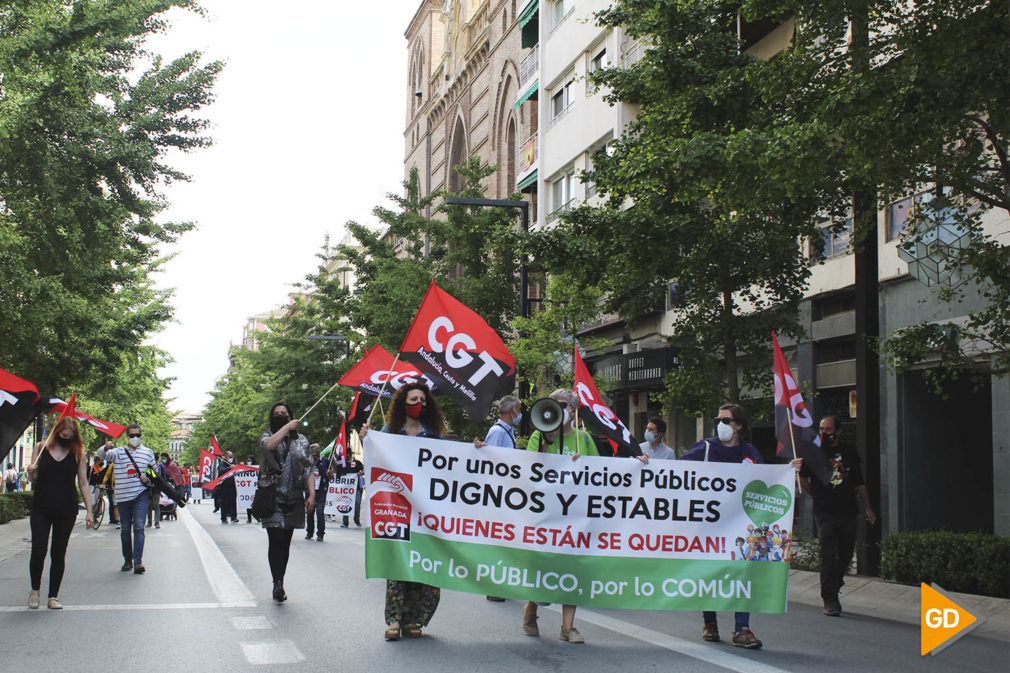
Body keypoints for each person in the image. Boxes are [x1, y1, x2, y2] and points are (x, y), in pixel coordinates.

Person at [681, 404, 802, 650]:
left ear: (739, 425)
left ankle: (742, 628)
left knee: (743, 573)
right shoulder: (705, 448)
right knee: (710, 573)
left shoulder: (750, 452)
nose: (720, 424)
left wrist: (789, 471)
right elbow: (676, 472)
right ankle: (710, 622)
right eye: (718, 419)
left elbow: (766, 479)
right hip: (710, 526)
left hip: (741, 527)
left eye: (726, 420)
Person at [360, 382, 447, 641]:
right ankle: (395, 620)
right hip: (395, 508)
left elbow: (449, 468)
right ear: (402, 404)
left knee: (424, 565)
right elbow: (375, 461)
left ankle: (415, 620)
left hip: (426, 511)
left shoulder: (433, 436)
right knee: (398, 563)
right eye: (412, 399)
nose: (417, 403)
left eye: (422, 399)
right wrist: (368, 439)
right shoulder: (390, 432)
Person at [522, 388, 598, 644]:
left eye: (564, 404)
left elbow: (601, 471)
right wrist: (546, 443)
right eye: (554, 404)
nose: (558, 409)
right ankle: (531, 608)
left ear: (574, 411)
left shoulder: (583, 439)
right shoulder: (538, 434)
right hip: (545, 513)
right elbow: (529, 468)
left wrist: (584, 464)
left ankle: (568, 627)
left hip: (574, 515)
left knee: (572, 565)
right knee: (543, 567)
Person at [798, 415, 877, 617]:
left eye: (829, 429)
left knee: (846, 553)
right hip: (825, 511)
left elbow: (859, 481)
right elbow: (803, 478)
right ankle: (830, 599)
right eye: (822, 429)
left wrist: (868, 508)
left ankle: (835, 581)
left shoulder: (849, 452)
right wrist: (815, 494)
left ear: (839, 431)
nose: (826, 434)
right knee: (828, 554)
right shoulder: (813, 453)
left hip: (848, 510)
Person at [26, 417, 93, 609]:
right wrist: (30, 472)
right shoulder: (41, 448)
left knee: (58, 552)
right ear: (57, 432)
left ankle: (53, 595)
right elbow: (34, 478)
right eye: (63, 436)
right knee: (38, 550)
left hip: (66, 507)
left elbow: (83, 482)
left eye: (70, 437)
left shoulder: (77, 453)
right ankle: (34, 591)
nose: (66, 439)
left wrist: (89, 511)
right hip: (42, 505)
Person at [259, 402, 315, 602]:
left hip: (294, 496)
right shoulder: (267, 435)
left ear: (292, 415)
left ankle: (281, 578)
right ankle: (277, 583)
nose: (281, 415)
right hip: (273, 496)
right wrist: (286, 428)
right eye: (277, 414)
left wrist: (311, 494)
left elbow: (309, 467)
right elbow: (269, 447)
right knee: (275, 539)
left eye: (285, 413)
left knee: (286, 542)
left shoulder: (301, 441)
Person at [97, 424, 157, 574]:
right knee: (125, 529)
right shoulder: (118, 453)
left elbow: (155, 475)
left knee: (138, 527)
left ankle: (138, 562)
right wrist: (105, 447)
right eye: (132, 435)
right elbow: (102, 455)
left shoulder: (148, 453)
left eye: (137, 435)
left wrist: (148, 481)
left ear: (141, 435)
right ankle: (127, 560)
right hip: (123, 496)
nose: (135, 438)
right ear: (127, 437)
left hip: (140, 495)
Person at [305, 444, 329, 541]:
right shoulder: (307, 461)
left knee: (319, 511)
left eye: (314, 451)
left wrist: (329, 474)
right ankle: (309, 532)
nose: (312, 453)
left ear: (318, 451)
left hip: (321, 491)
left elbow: (331, 474)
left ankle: (320, 533)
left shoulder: (325, 461)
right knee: (310, 511)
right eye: (311, 451)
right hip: (310, 490)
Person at [216, 451, 238, 524]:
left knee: (233, 502)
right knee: (224, 502)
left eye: (232, 457)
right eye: (230, 457)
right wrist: (229, 468)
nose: (231, 458)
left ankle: (233, 517)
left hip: (232, 485)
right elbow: (221, 471)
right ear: (225, 457)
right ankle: (224, 518)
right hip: (224, 486)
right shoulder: (222, 464)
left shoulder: (233, 463)